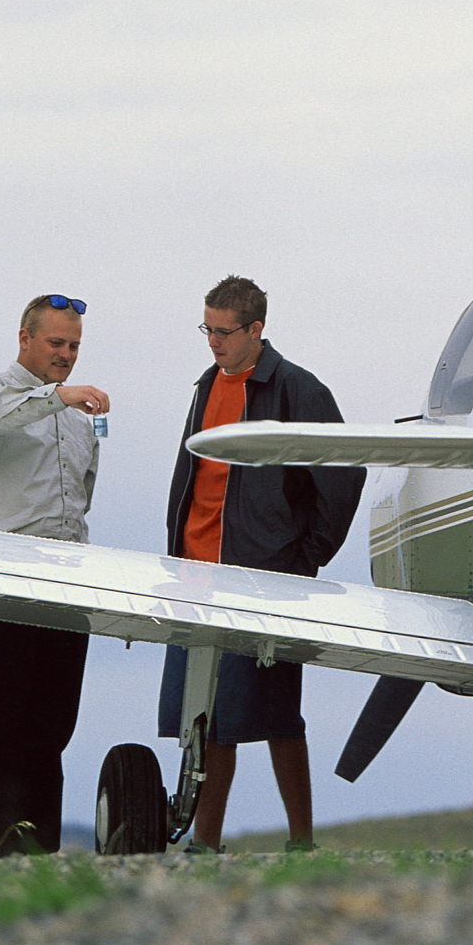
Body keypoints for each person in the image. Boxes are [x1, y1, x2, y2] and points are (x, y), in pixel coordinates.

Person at [157, 275, 364, 853]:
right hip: (195, 575)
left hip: (267, 580)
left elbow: (344, 473)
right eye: (207, 329)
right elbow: (194, 478)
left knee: (275, 715)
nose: (213, 342)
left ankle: (302, 842)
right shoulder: (204, 386)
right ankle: (205, 843)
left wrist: (305, 559)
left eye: (224, 332)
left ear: (257, 329)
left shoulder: (298, 389)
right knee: (206, 715)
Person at [0, 293, 111, 857]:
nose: (66, 355)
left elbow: (81, 501)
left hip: (66, 581)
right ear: (25, 339)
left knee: (52, 722)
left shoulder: (79, 419)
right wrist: (53, 397)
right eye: (56, 343)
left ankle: (37, 843)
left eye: (74, 346)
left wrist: (63, 402)